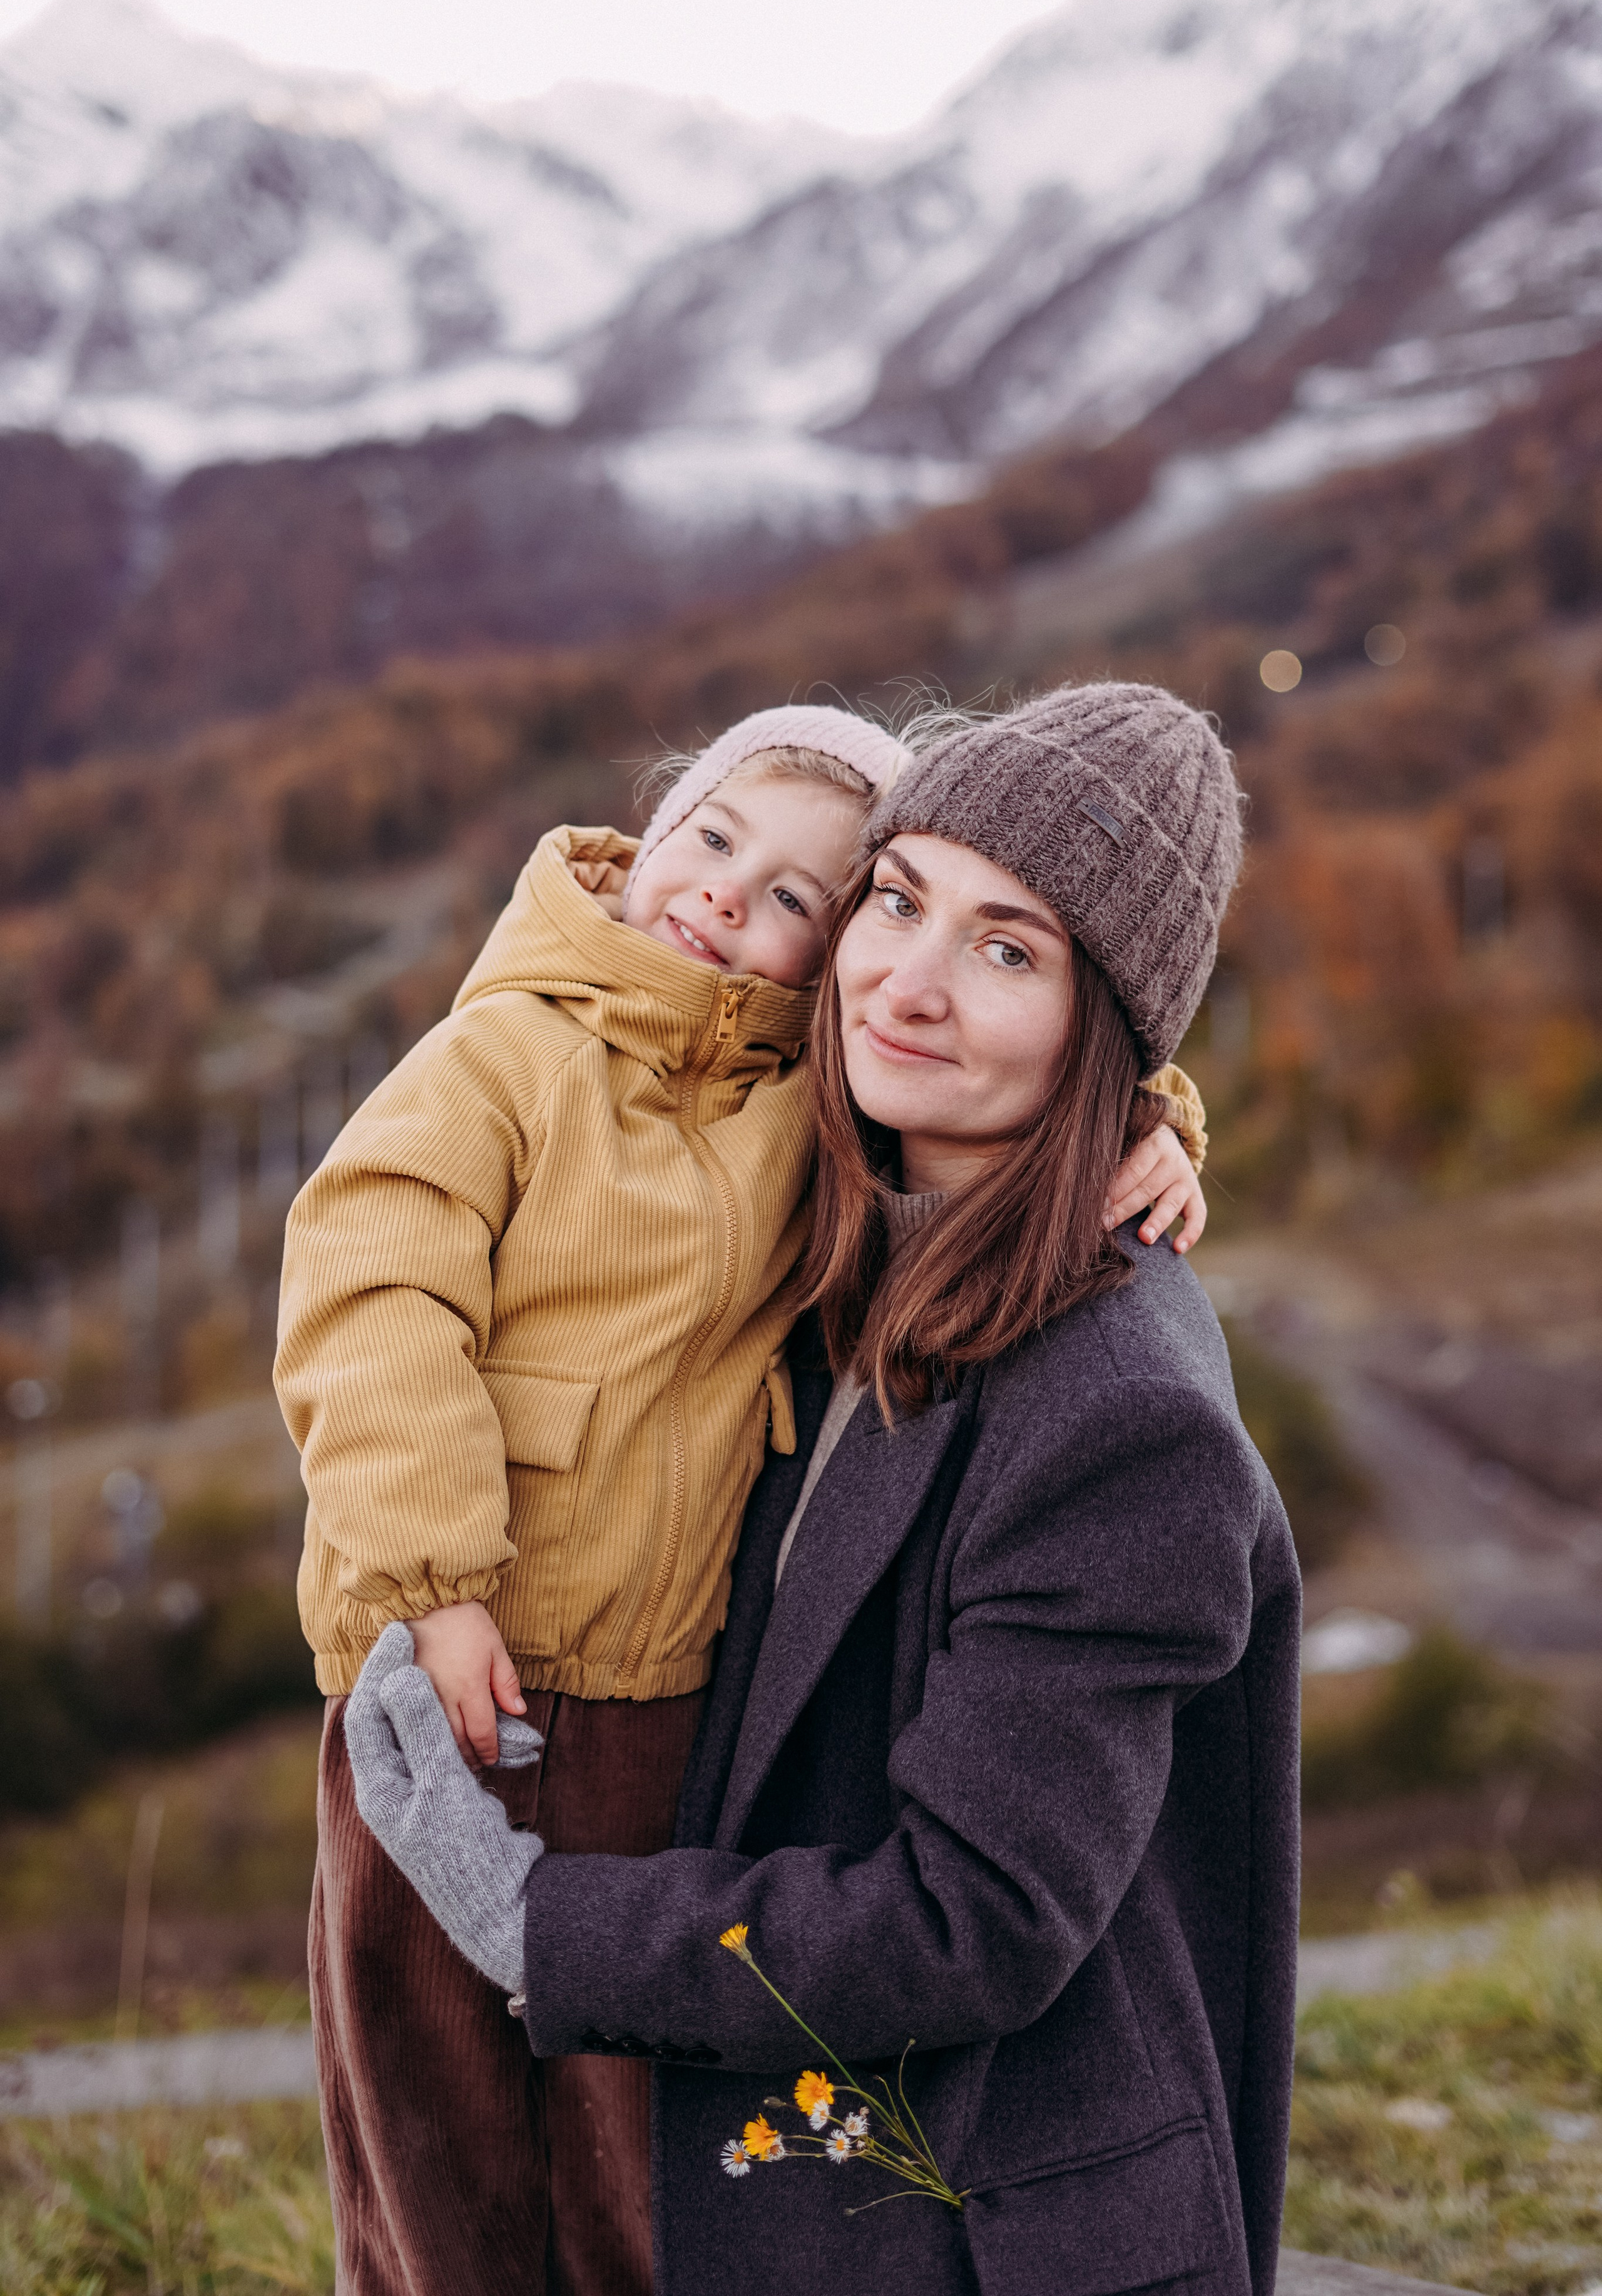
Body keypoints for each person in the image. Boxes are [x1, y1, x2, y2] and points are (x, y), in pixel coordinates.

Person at [275, 695, 1213, 2296]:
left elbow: (967, 1918)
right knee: (433, 2149)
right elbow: (367, 1285)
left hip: (664, 1721)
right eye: (898, 906)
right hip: (457, 1660)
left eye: (803, 897)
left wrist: (1159, 1123)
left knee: (615, 2157)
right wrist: (429, 1573)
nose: (903, 980)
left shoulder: (832, 1130)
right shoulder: (524, 1055)